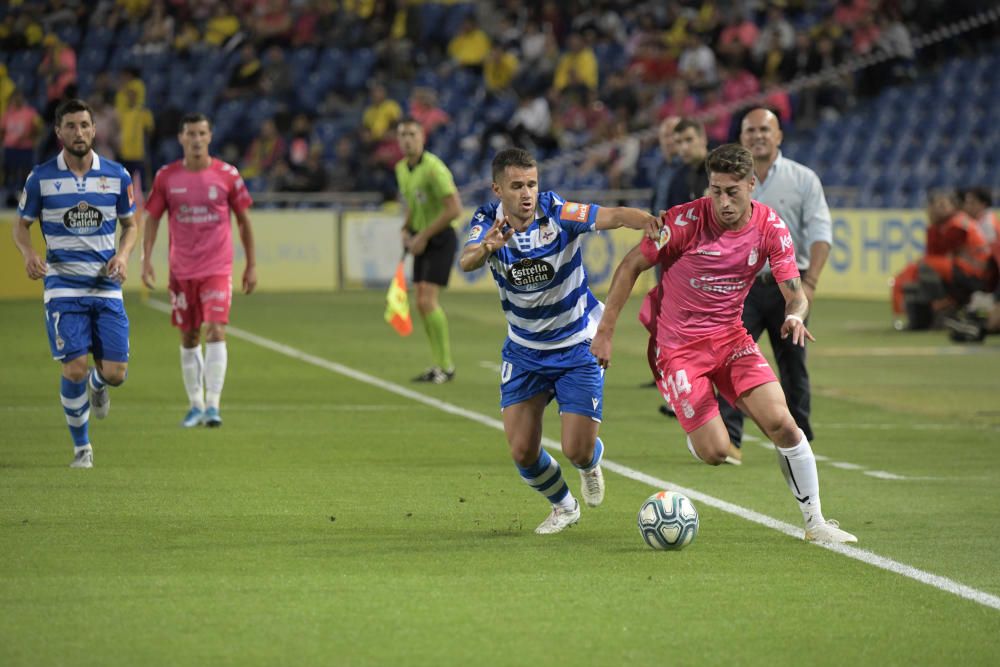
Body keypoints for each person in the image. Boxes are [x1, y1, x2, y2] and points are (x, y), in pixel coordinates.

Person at [591, 143, 857, 545]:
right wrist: (605, 331)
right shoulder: (683, 222)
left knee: (784, 424)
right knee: (716, 451)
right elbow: (631, 265)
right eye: (715, 190)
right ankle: (699, 426)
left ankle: (816, 522)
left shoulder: (771, 227)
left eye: (732, 191)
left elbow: (795, 292)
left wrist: (793, 315)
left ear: (752, 185)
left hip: (731, 338)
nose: (723, 201)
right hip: (677, 348)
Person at [460, 147, 660, 535]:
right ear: (497, 189)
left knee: (577, 449)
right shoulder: (487, 221)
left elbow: (613, 216)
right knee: (522, 451)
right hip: (524, 350)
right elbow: (467, 259)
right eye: (516, 186)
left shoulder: (558, 212)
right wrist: (488, 247)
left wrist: (647, 221)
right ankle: (564, 506)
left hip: (576, 344)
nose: (526, 193)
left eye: (532, 184)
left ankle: (590, 462)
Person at [12, 98, 138, 469]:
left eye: (85, 125)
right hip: (63, 288)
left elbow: (130, 225)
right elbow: (21, 226)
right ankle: (82, 449)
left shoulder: (117, 175)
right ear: (58, 132)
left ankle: (98, 387)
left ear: (94, 130)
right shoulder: (41, 178)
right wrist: (29, 254)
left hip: (105, 286)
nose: (79, 132)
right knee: (74, 368)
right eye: (71, 126)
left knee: (115, 375)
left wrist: (124, 255)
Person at [716, 107, 833, 464]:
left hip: (787, 286)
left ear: (779, 135)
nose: (758, 136)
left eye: (765, 129)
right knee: (729, 361)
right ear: (741, 137)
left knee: (793, 363)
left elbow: (820, 234)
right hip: (741, 287)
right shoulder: (727, 184)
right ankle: (729, 441)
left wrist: (809, 283)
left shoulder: (803, 179)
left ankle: (801, 441)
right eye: (750, 130)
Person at [141, 112, 257, 428]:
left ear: (210, 136)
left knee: (216, 329)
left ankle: (213, 406)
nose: (196, 139)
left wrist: (251, 264)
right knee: (189, 336)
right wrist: (146, 257)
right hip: (181, 270)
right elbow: (152, 219)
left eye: (202, 133)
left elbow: (244, 222)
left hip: (217, 267)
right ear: (181, 138)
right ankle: (195, 404)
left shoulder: (228, 175)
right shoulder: (167, 177)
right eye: (190, 133)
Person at [395, 117, 462, 384]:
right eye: (402, 135)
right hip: (421, 237)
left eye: (412, 134)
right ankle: (439, 365)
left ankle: (446, 366)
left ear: (422, 137)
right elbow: (413, 203)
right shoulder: (402, 168)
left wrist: (422, 235)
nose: (407, 140)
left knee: (427, 301)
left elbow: (454, 209)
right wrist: (406, 228)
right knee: (421, 303)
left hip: (441, 237)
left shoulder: (434, 169)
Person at [891, 189, 990, 331]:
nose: (938, 209)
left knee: (925, 265)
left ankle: (942, 304)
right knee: (921, 267)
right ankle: (929, 308)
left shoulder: (957, 224)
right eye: (936, 206)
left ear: (953, 206)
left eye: (943, 205)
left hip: (975, 270)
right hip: (965, 268)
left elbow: (941, 252)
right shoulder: (943, 225)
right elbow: (935, 251)